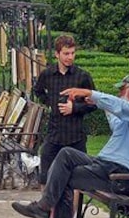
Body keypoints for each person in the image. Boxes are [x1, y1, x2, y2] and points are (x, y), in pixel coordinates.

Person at [11, 74, 129, 218]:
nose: (119, 93)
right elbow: (117, 119)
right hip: (106, 166)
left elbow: (120, 106)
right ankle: (47, 212)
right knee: (66, 154)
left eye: (122, 89)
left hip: (120, 175)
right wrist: (98, 103)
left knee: (64, 174)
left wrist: (90, 93)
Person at [32, 35, 96, 188]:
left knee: (78, 180)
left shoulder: (83, 76)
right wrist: (51, 103)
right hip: (54, 133)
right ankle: (46, 210)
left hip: (76, 135)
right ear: (57, 54)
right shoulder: (47, 74)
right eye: (66, 54)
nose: (70, 57)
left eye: (73, 53)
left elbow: (94, 103)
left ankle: (73, 212)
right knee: (45, 175)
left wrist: (74, 108)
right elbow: (38, 91)